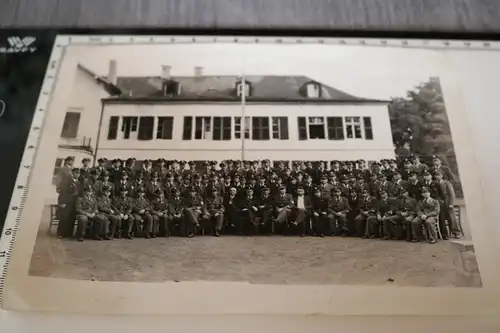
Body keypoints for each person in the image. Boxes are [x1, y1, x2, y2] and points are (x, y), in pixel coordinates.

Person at [434, 170, 461, 239]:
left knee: (451, 218)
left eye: (439, 175)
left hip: (448, 202)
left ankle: (456, 232)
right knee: (442, 218)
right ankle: (445, 234)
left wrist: (451, 203)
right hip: (440, 203)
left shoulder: (446, 183)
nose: (437, 176)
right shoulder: (435, 183)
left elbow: (452, 194)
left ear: (442, 176)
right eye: (436, 175)